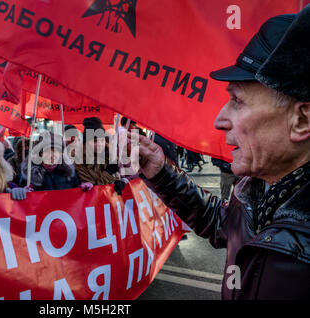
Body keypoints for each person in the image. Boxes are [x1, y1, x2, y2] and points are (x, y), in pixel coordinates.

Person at [133, 7, 310, 299]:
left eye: (238, 101)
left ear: (301, 120)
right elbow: (222, 223)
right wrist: (160, 172)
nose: (219, 120)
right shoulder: (256, 191)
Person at [75, 117, 127, 194]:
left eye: (102, 140)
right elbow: (92, 190)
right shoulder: (80, 161)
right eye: (95, 141)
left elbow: (116, 178)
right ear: (86, 142)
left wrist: (119, 182)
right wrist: (108, 173)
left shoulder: (111, 156)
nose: (99, 144)